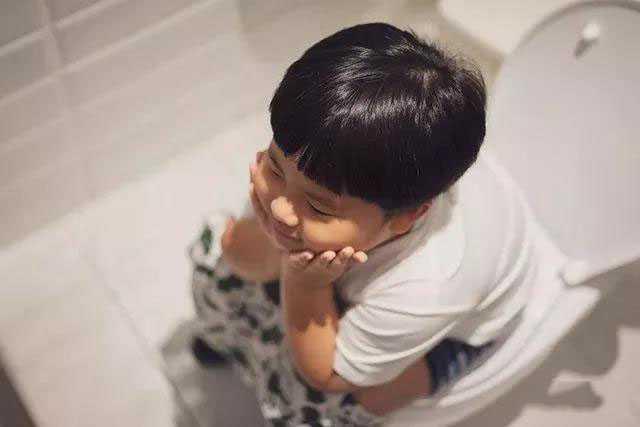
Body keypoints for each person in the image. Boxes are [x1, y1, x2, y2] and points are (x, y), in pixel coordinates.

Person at [188, 22, 536, 426]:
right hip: (394, 244)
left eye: (318, 207)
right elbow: (235, 248)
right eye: (276, 167)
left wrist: (305, 283)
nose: (281, 207)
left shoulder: (428, 287)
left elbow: (326, 376)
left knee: (330, 405)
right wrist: (281, 246)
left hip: (467, 325)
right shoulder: (321, 171)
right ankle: (228, 340)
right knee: (219, 250)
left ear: (406, 218)